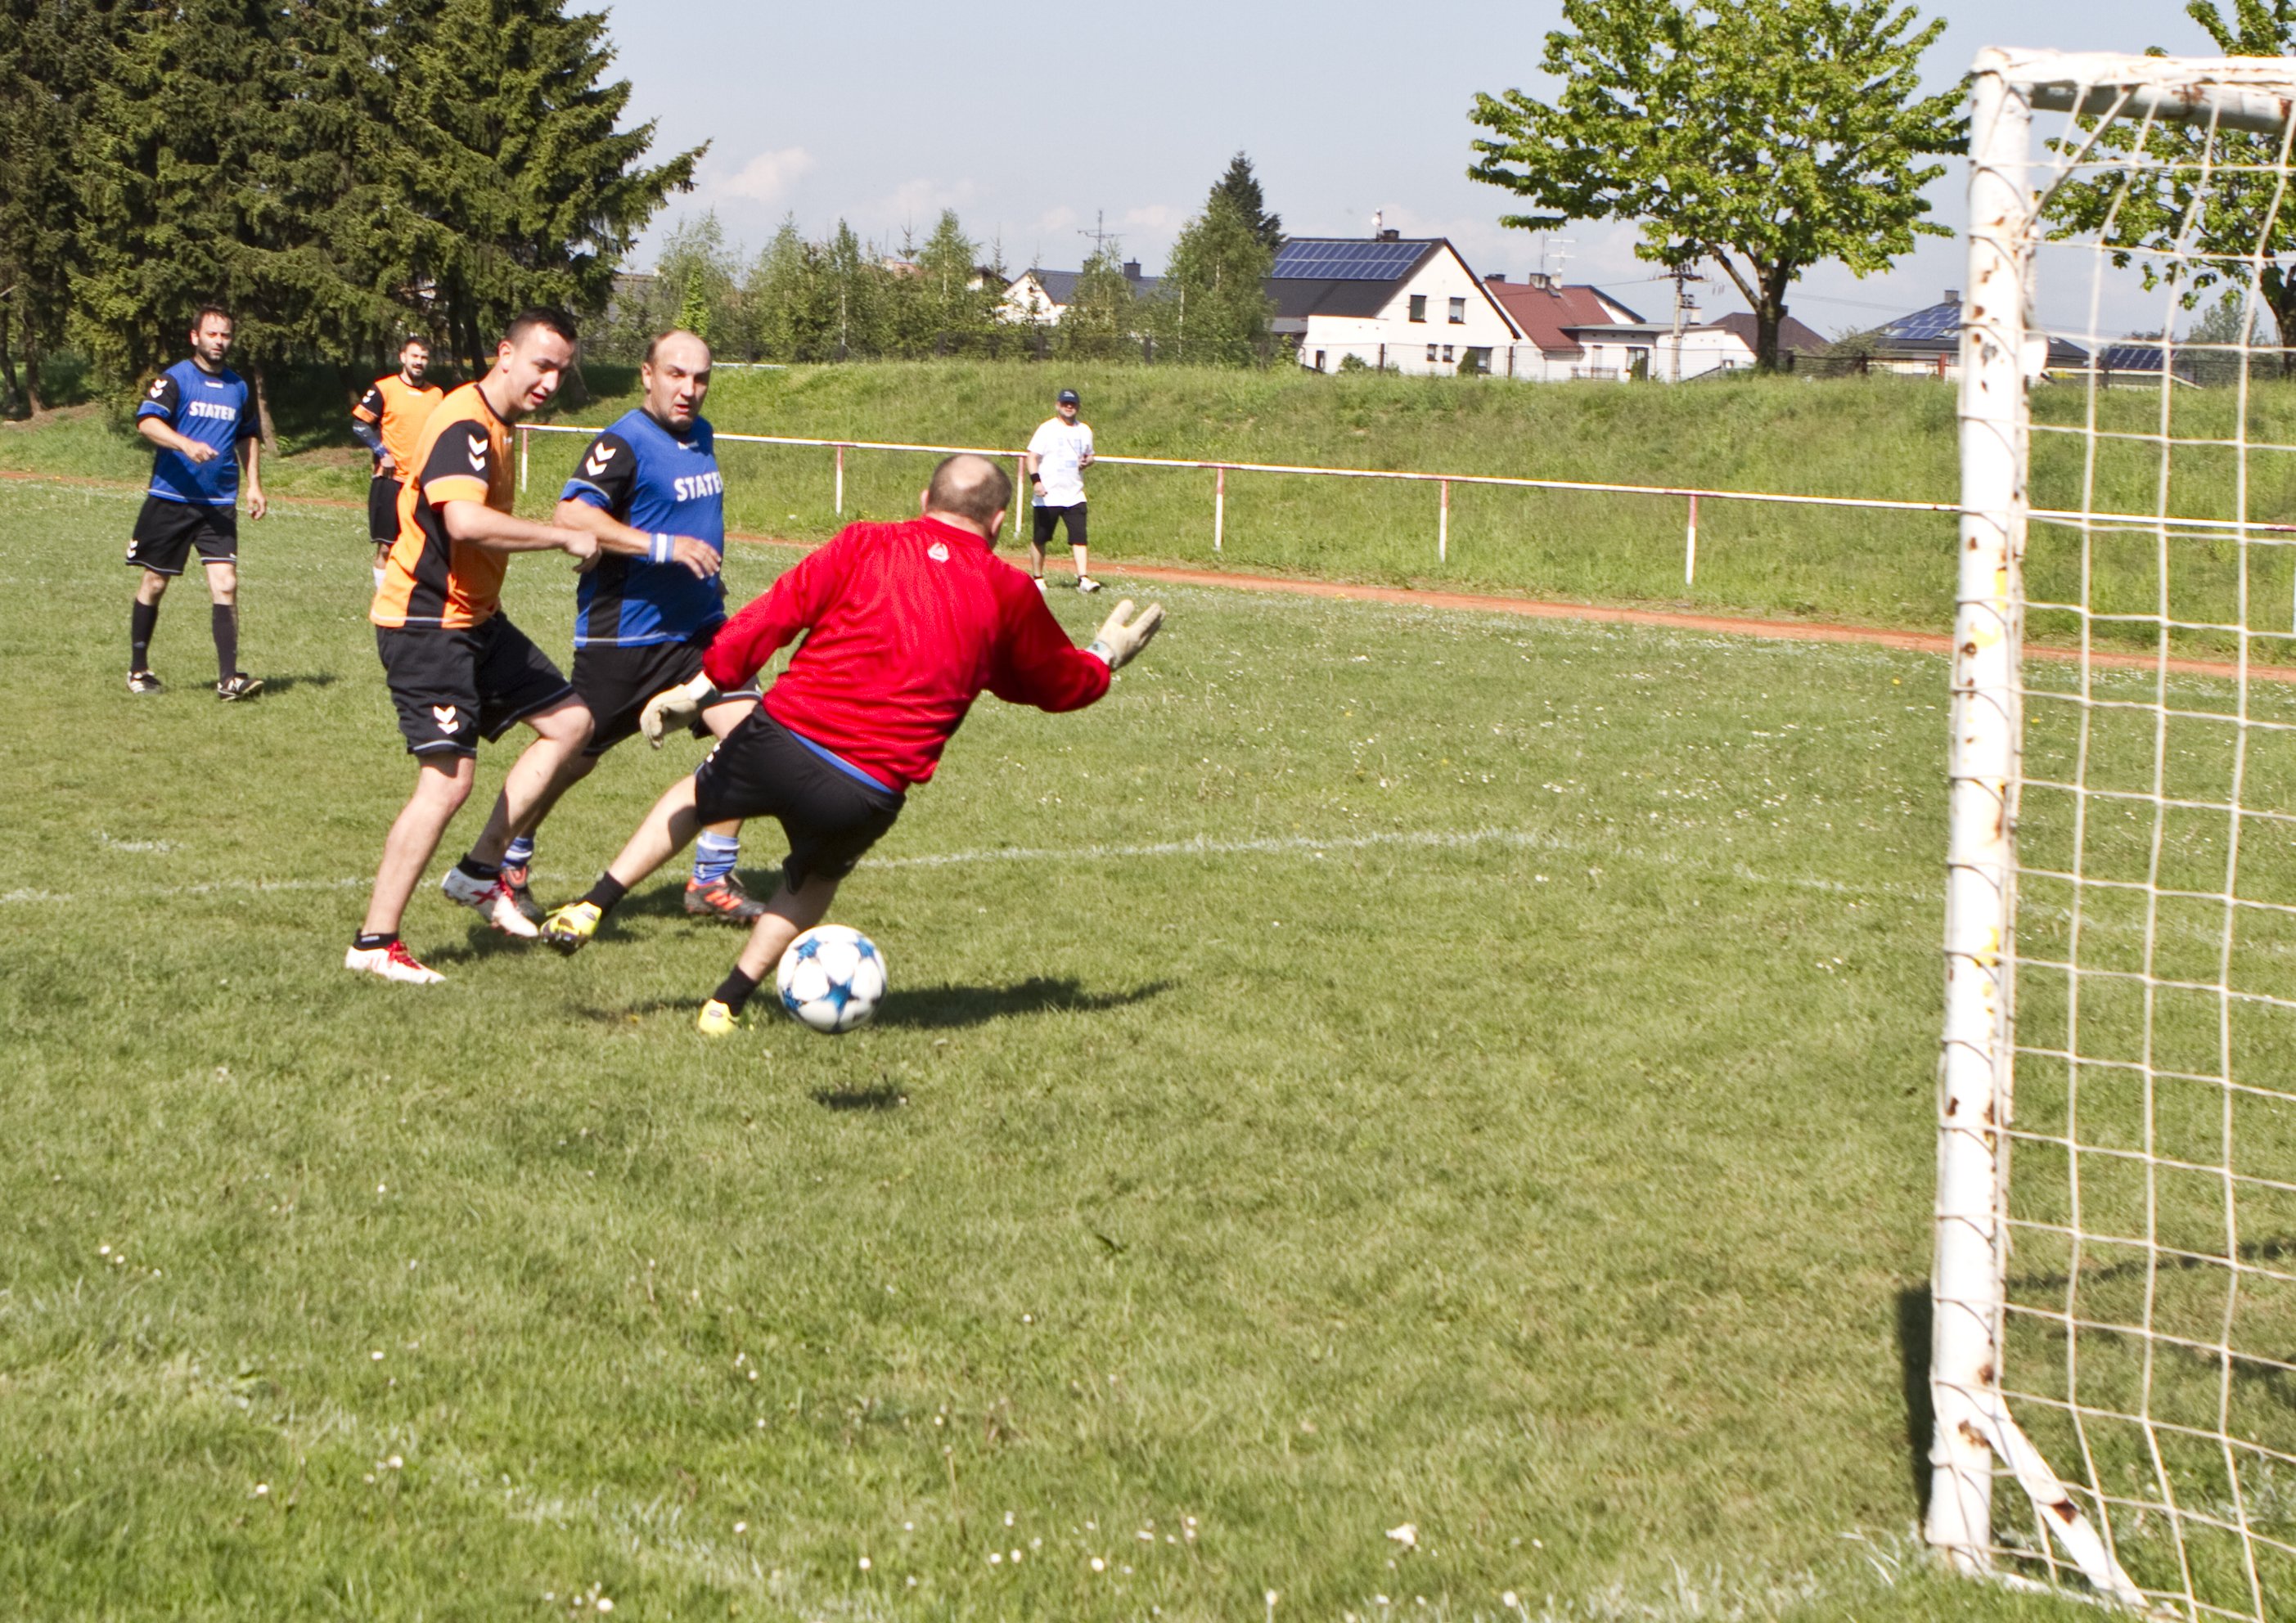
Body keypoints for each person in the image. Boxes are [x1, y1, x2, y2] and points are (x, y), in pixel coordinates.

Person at [537, 454, 1165, 1036]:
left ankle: (592, 905)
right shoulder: (1006, 591)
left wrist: (709, 683)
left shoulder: (867, 542)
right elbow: (1053, 685)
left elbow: (776, 611)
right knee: (811, 882)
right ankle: (724, 1004)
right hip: (864, 787)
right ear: (1000, 521)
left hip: (780, 736)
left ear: (925, 498)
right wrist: (1103, 658)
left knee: (697, 797)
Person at [346, 308, 601, 985]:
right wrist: (561, 535)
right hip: (427, 625)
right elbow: (462, 519)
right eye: (542, 364)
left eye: (561, 371)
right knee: (448, 780)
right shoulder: (466, 422)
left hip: (476, 619)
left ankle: (480, 873)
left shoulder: (499, 425)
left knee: (570, 722)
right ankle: (374, 943)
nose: (549, 381)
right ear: (506, 354)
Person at [491, 328, 768, 925]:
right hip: (625, 639)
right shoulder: (623, 442)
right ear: (647, 375)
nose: (689, 390)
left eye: (700, 378)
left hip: (698, 634)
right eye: (675, 375)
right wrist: (663, 547)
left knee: (753, 737)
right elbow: (572, 513)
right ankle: (505, 860)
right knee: (572, 757)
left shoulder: (703, 435)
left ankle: (711, 879)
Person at [125, 306, 267, 699]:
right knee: (155, 582)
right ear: (195, 337)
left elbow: (248, 436)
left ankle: (228, 679)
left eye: (225, 335)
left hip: (219, 503)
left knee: (227, 583)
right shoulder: (175, 379)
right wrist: (185, 444)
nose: (219, 342)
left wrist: (254, 484)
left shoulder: (239, 387)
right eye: (212, 334)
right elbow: (147, 422)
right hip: (171, 498)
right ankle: (138, 670)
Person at [350, 336, 444, 591]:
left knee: (423, 548)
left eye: (424, 357)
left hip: (421, 485)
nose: (419, 362)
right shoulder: (384, 388)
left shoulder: (436, 395)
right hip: (390, 481)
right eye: (415, 356)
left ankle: (413, 602)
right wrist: (382, 451)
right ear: (402, 357)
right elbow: (360, 424)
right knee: (387, 547)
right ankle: (383, 598)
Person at [1024, 386, 1098, 591]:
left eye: (1072, 404)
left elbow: (1090, 455)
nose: (1069, 407)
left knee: (1080, 537)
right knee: (1041, 538)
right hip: (1048, 496)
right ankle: (1038, 577)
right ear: (1058, 405)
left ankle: (1083, 578)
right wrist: (1036, 481)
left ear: (1078, 407)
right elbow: (1032, 456)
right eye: (1065, 403)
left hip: (1074, 494)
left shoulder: (1085, 430)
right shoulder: (1046, 429)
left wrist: (1088, 461)